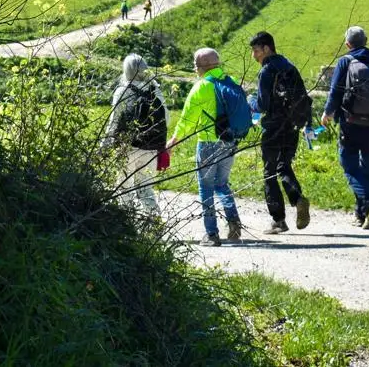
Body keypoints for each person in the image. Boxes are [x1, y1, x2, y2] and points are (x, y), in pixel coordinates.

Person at [321, 25, 369, 229]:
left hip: (349, 123)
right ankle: (362, 213)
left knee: (348, 166)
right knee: (367, 169)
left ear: (347, 44)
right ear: (366, 41)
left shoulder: (345, 61)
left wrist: (327, 113)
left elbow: (335, 91)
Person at [167, 47, 242, 246]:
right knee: (222, 184)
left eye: (195, 64)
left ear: (202, 67)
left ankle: (211, 234)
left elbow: (186, 120)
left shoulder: (201, 87)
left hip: (208, 143)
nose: (194, 68)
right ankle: (234, 222)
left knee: (206, 187)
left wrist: (174, 141)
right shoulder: (231, 82)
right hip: (229, 141)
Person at [249, 31, 311, 233]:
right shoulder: (289, 66)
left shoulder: (267, 71)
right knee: (283, 165)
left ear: (266, 48)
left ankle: (278, 221)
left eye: (256, 50)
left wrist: (249, 100)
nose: (254, 55)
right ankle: (297, 198)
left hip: (273, 127)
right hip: (292, 125)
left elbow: (262, 105)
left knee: (269, 173)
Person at [100, 53, 167, 217]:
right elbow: (166, 118)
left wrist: (104, 145)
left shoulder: (122, 91)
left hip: (128, 146)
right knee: (145, 187)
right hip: (151, 147)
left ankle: (126, 222)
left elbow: (114, 121)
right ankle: (154, 221)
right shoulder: (155, 90)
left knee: (124, 187)